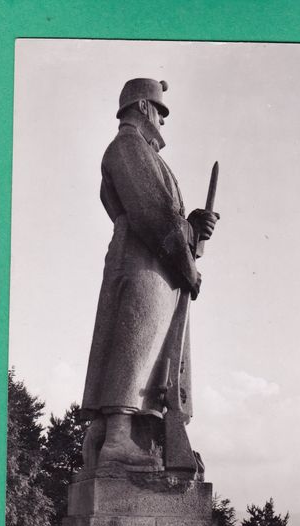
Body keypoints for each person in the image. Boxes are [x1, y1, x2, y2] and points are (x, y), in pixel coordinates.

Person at [80, 78, 219, 470]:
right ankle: (118, 439)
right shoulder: (127, 146)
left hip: (158, 265)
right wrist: (186, 261)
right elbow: (152, 214)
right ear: (142, 107)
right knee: (134, 345)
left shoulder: (141, 150)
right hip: (144, 264)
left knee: (151, 352)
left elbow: (165, 217)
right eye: (160, 111)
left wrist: (192, 226)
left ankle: (120, 436)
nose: (162, 120)